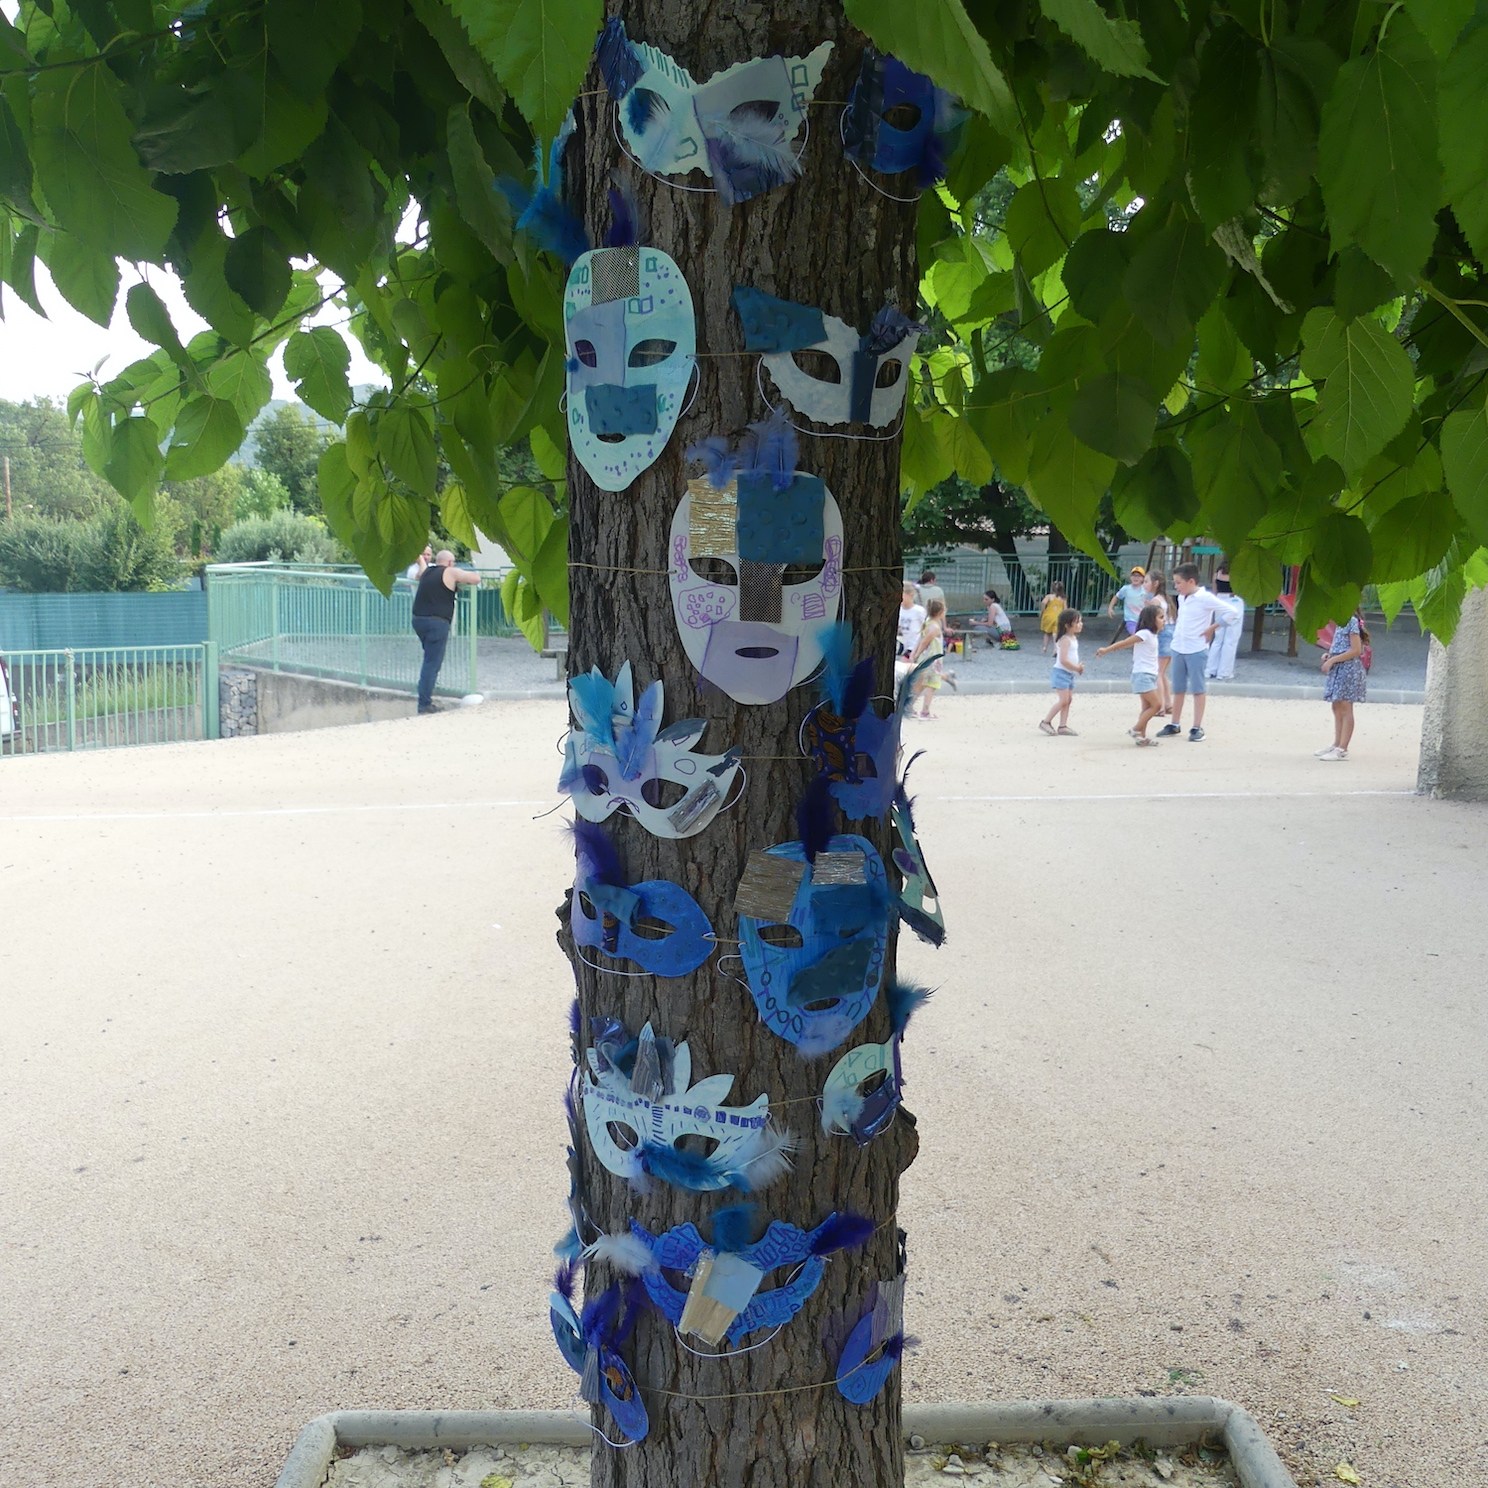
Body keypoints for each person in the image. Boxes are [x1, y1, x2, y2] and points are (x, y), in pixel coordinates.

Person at [1157, 562, 1234, 742]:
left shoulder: (1205, 597)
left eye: (1179, 583)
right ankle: (1175, 723)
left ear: (1191, 581)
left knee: (1198, 689)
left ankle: (1197, 726)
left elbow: (1231, 612)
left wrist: (1212, 628)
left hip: (1196, 648)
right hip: (1179, 646)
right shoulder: (1182, 597)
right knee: (1179, 688)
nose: (1176, 586)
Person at [411, 549, 481, 714]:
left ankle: (426, 692)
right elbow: (475, 579)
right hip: (437, 622)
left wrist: (420, 561)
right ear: (450, 562)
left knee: (429, 659)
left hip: (418, 620)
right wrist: (458, 578)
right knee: (431, 663)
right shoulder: (450, 572)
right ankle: (424, 704)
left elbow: (420, 571)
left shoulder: (427, 572)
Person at [1097, 602, 1164, 746]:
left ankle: (1141, 737)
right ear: (1151, 620)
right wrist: (1106, 650)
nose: (1163, 620)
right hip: (1143, 675)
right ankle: (1136, 729)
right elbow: (1125, 642)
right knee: (1157, 705)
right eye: (1161, 617)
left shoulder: (1153, 636)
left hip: (1150, 675)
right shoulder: (1144, 634)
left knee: (1147, 707)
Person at [1317, 610, 1368, 761]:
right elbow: (1343, 646)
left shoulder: (1350, 621)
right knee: (1336, 706)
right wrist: (1330, 655)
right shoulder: (1341, 623)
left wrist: (1333, 660)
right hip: (1340, 668)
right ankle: (1337, 744)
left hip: (1348, 669)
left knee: (1345, 707)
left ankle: (1342, 748)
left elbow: (1356, 650)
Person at [1038, 608, 1083, 736]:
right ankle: (1046, 722)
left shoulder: (1073, 638)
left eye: (1080, 621)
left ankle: (1063, 725)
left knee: (1068, 700)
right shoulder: (1065, 640)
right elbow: (1063, 660)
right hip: (1061, 673)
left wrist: (1076, 668)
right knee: (1063, 700)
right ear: (1067, 625)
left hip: (1069, 673)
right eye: (1077, 622)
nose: (1080, 624)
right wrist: (1077, 668)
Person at [1205, 559, 1246, 681]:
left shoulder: (1217, 574)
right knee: (1230, 640)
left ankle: (1210, 669)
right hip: (1234, 601)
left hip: (1220, 601)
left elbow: (1214, 591)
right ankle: (1224, 672)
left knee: (1218, 639)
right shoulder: (1237, 575)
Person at [909, 599, 947, 719]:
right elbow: (925, 642)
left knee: (920, 684)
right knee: (931, 685)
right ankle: (925, 711)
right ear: (940, 612)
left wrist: (915, 654)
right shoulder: (935, 627)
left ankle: (908, 707)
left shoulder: (928, 623)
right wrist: (916, 654)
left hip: (925, 658)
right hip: (932, 660)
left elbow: (920, 640)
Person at [1145, 570, 1175, 715]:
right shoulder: (1165, 598)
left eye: (1146, 581)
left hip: (1163, 634)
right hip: (1171, 632)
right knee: (1162, 673)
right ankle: (1168, 704)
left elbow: (1152, 622)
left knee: (1158, 672)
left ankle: (1160, 706)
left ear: (1155, 583)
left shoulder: (1155, 601)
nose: (1144, 585)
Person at [1105, 564, 1148, 643]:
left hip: (1143, 619)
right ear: (1130, 577)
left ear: (1143, 578)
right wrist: (1110, 608)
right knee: (1135, 635)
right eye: (1134, 575)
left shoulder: (1145, 590)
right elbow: (1116, 597)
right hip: (1131, 619)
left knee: (1144, 638)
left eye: (1138, 576)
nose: (1136, 578)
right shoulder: (1126, 589)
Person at [897, 582, 927, 660]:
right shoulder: (899, 610)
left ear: (910, 595)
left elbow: (925, 629)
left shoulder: (919, 611)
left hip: (916, 647)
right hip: (906, 646)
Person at [1038, 581, 1066, 654]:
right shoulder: (1063, 598)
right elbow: (1065, 609)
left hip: (1048, 616)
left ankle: (1045, 647)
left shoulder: (1049, 596)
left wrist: (1042, 611)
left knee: (1047, 632)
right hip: (1059, 617)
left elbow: (1043, 603)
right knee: (1055, 633)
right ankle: (1055, 648)